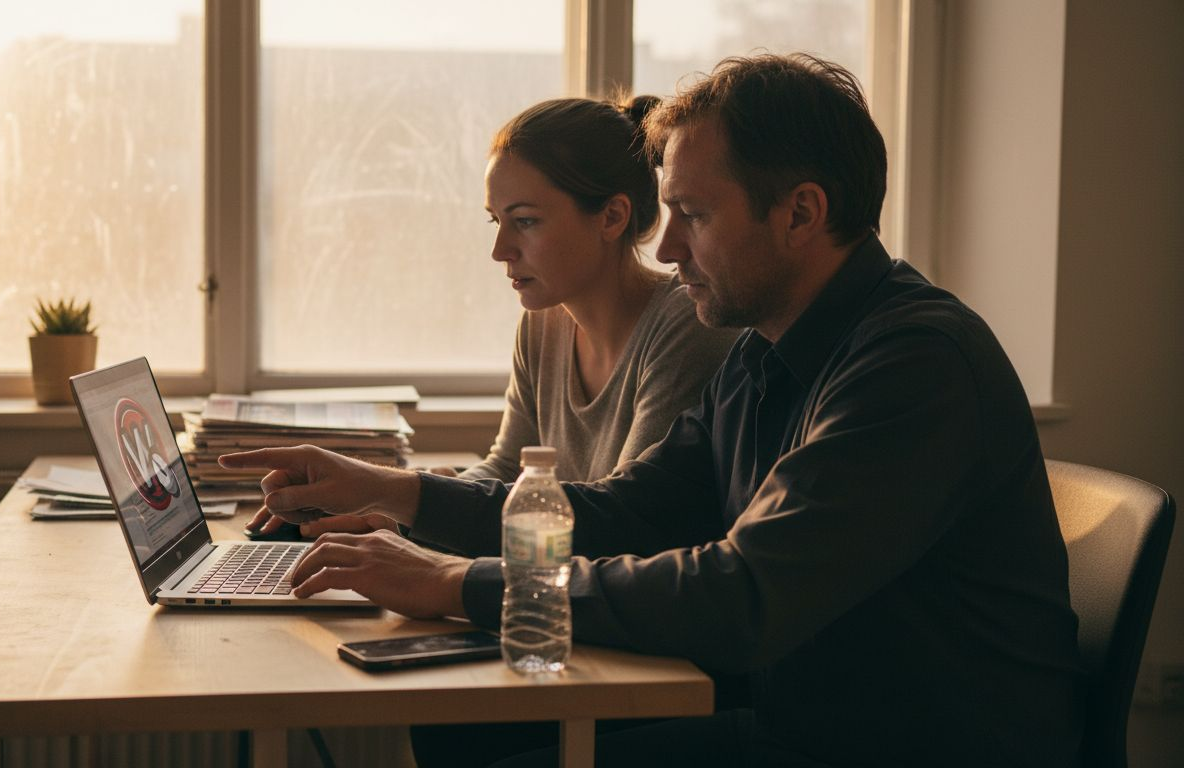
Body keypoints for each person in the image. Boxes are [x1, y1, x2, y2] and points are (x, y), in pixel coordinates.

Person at [221, 54, 1084, 767]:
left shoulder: (913, 366)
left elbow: (744, 594)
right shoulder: (764, 349)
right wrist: (401, 495)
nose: (668, 249)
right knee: (466, 731)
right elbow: (625, 509)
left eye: (693, 216)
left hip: (901, 745)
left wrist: (456, 582)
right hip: (805, 719)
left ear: (802, 213)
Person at [437, 96, 739, 483]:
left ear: (612, 217)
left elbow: (623, 513)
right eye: (496, 221)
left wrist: (417, 502)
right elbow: (507, 469)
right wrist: (393, 513)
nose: (500, 251)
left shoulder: (685, 328)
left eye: (526, 221)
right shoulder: (541, 325)